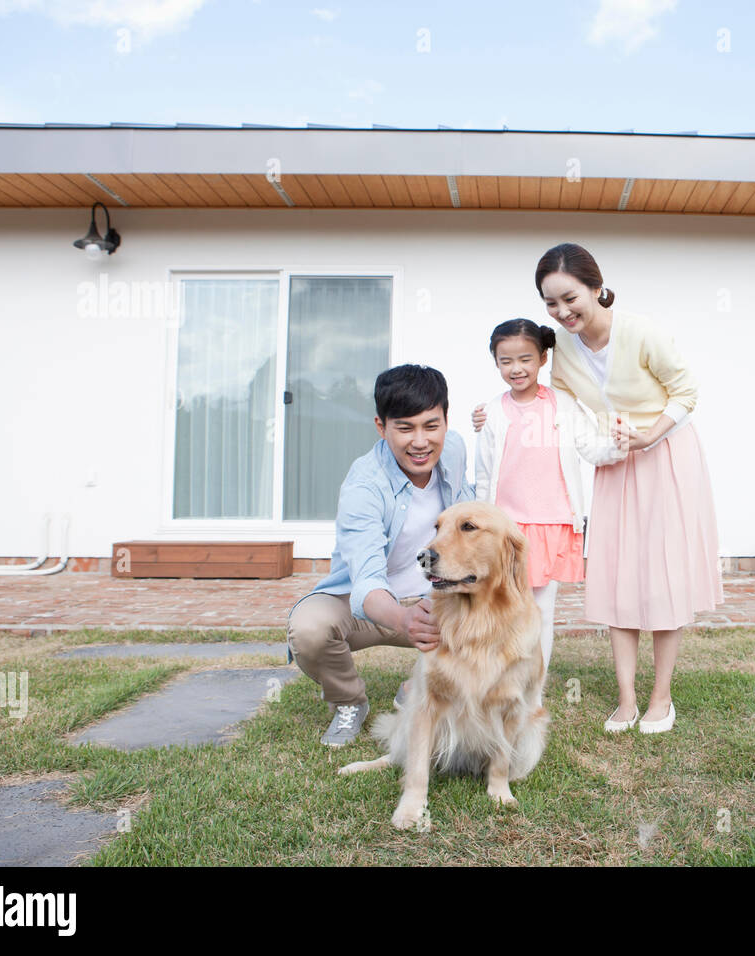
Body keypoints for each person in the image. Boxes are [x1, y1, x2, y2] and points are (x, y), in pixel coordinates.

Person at [474, 243, 723, 735]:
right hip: (615, 461)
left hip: (666, 455)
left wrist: (650, 435)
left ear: (595, 286)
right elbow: (557, 401)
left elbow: (687, 391)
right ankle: (626, 699)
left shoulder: (640, 332)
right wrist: (494, 411)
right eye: (551, 304)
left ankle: (661, 697)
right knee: (617, 575)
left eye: (570, 298)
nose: (562, 311)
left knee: (663, 576)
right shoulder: (561, 347)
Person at [287, 364, 474, 747]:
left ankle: (419, 686)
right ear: (381, 426)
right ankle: (349, 702)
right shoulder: (364, 486)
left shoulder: (453, 449)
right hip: (373, 606)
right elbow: (368, 579)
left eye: (430, 425)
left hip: (435, 596)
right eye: (405, 428)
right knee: (309, 629)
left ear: (445, 420)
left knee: (492, 602)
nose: (420, 441)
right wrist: (404, 619)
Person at [474, 318, 625, 670]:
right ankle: (501, 678)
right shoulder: (492, 412)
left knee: (541, 611)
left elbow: (592, 448)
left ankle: (534, 686)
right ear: (496, 362)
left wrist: (619, 445)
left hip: (552, 525)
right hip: (505, 529)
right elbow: (483, 474)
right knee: (501, 608)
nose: (516, 368)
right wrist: (480, 524)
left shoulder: (563, 405)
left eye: (525, 359)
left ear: (542, 358)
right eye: (505, 361)